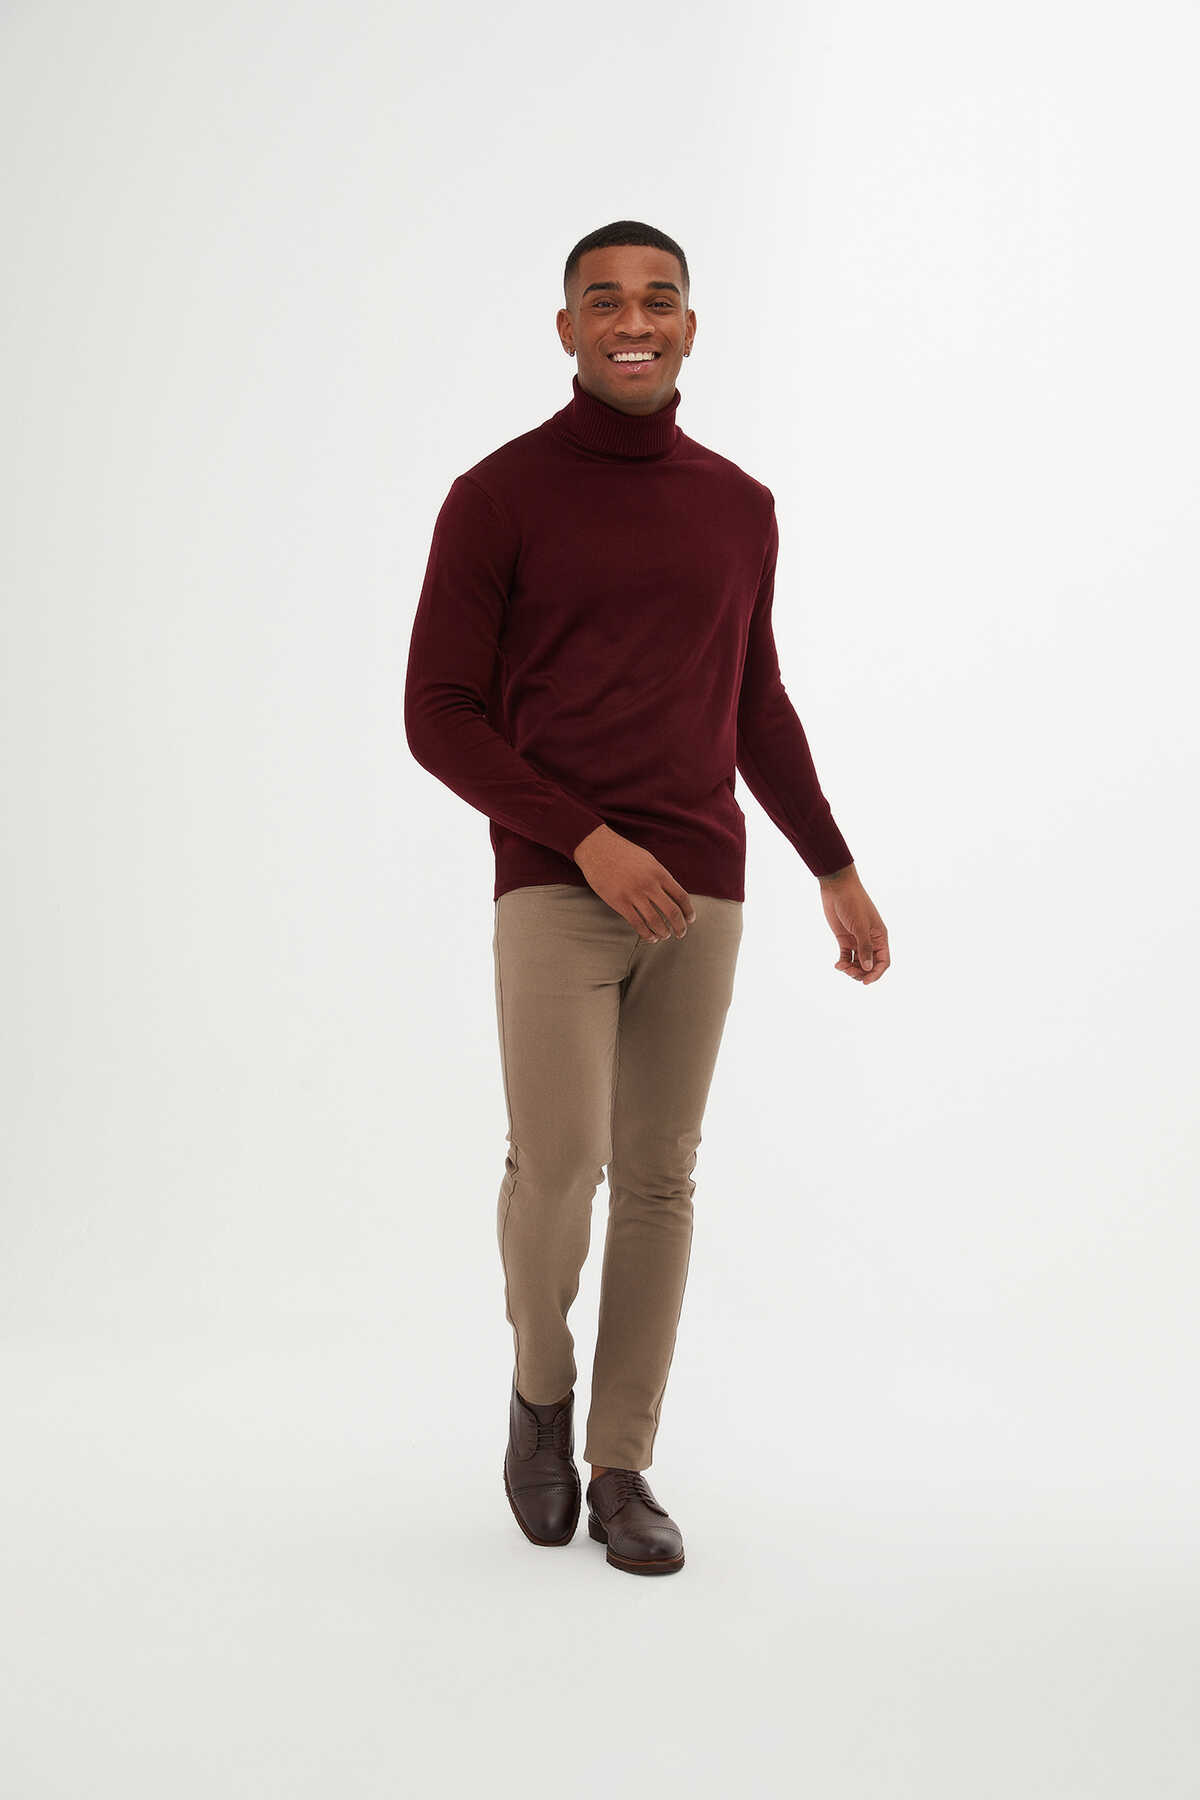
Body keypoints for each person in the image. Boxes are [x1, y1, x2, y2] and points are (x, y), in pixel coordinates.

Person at [405, 220, 890, 1577]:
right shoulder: (497, 496)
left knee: (662, 1174)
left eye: (659, 299)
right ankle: (540, 1395)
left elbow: (755, 702)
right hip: (557, 885)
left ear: (690, 325)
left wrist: (833, 864)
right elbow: (437, 712)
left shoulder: (739, 505)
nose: (635, 320)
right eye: (605, 301)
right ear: (566, 329)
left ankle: (621, 1464)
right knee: (561, 1166)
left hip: (703, 890)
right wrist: (589, 840)